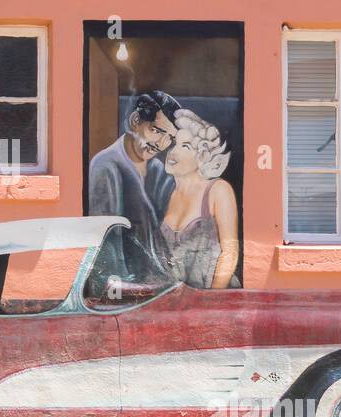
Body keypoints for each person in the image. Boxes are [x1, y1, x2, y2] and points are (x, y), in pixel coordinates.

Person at [87, 90, 181, 274]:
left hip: (155, 278)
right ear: (135, 121)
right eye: (156, 131)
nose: (161, 144)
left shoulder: (158, 171)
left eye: (170, 138)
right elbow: (106, 239)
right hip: (122, 281)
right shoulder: (105, 166)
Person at [156, 108, 240, 288]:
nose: (173, 151)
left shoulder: (218, 190)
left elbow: (230, 252)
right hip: (172, 303)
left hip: (211, 301)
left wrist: (212, 300)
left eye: (185, 146)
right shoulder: (164, 192)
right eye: (174, 143)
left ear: (203, 156)